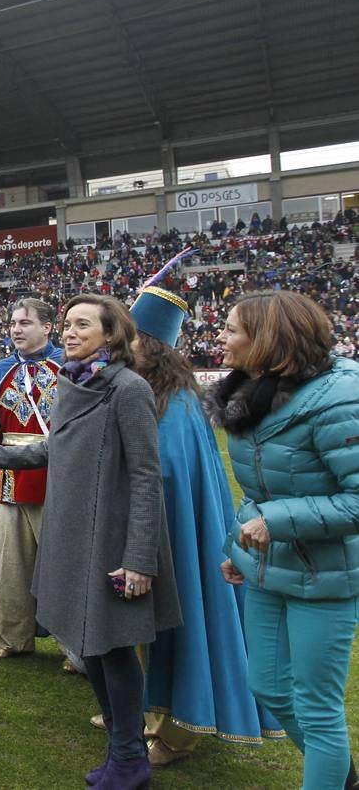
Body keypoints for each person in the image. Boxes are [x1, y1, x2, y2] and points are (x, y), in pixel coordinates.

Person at [0, 295, 181, 789]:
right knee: (96, 650)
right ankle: (123, 754)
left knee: (113, 649)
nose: (69, 331)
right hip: (74, 536)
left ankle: (129, 760)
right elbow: (51, 448)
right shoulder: (72, 381)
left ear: (111, 334)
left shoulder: (129, 388)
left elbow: (148, 478)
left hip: (111, 539)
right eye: (66, 323)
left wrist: (138, 559)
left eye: (82, 324)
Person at [128, 284, 284, 766]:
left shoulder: (174, 405)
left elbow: (168, 475)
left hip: (176, 537)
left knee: (183, 621)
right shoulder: (154, 396)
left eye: (128, 339)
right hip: (150, 533)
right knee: (142, 630)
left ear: (148, 347)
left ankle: (178, 732)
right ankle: (149, 710)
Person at [211, 290, 359, 790]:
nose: (221, 337)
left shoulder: (340, 397)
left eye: (232, 329)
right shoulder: (249, 392)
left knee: (317, 710)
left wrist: (275, 523)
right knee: (269, 689)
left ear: (268, 340)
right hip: (270, 570)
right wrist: (240, 548)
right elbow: (259, 490)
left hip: (328, 578)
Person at [0, 298, 63, 662]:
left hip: (58, 480)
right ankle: (12, 635)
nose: (16, 329)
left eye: (25, 322)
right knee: (9, 564)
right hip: (8, 481)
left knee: (61, 565)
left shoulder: (70, 367)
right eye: (12, 323)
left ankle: (74, 646)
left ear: (47, 327)